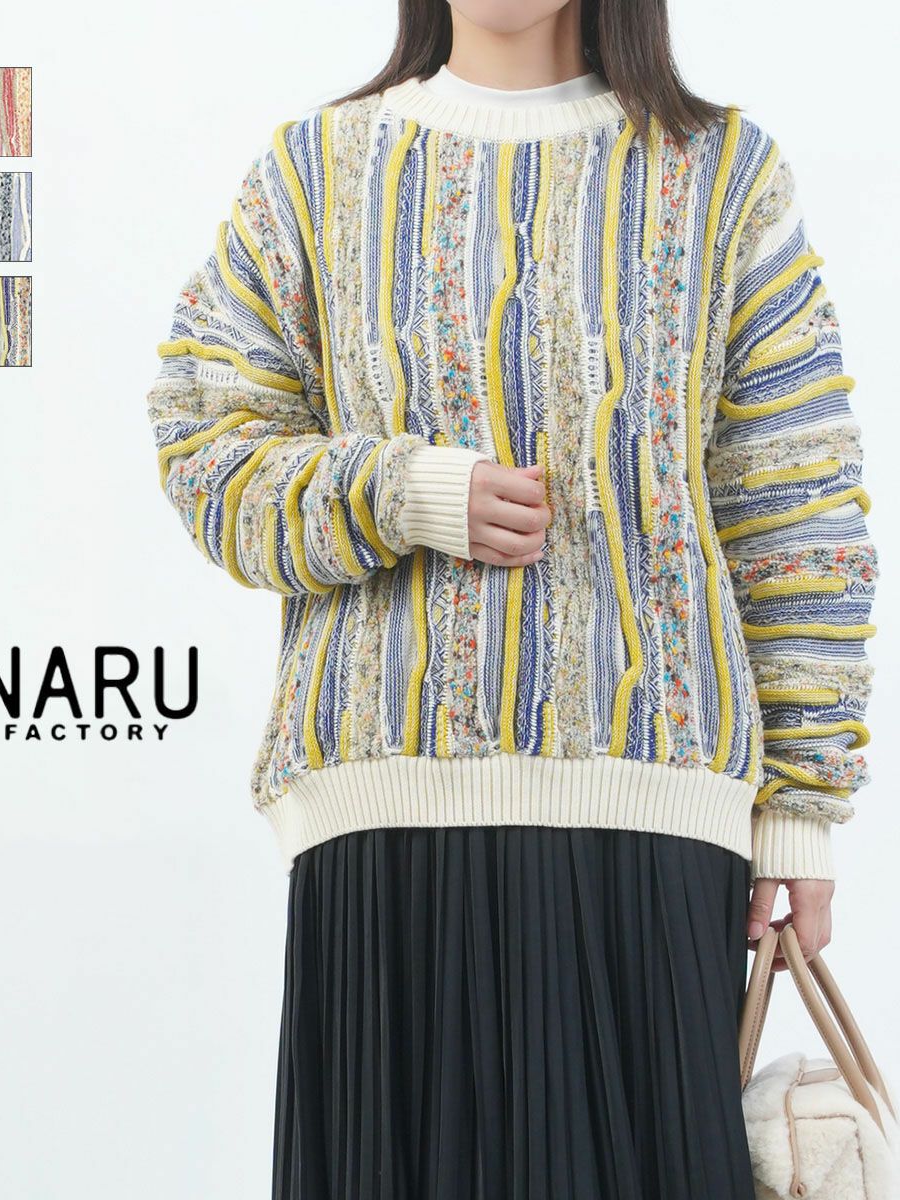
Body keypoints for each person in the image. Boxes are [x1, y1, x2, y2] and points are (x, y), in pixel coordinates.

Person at [144, 0, 878, 1195]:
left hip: (654, 820)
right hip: (382, 828)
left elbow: (794, 502)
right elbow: (204, 448)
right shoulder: (317, 169)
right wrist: (401, 492)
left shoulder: (720, 174)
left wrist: (799, 810)